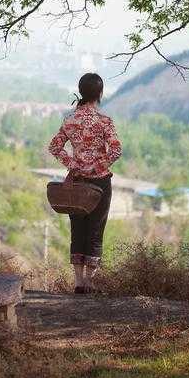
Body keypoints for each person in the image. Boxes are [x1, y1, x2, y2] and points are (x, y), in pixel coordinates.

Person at [48, 73, 122, 294]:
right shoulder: (105, 121)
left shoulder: (70, 120)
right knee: (95, 231)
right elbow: (116, 150)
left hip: (77, 183)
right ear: (100, 93)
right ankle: (90, 282)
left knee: (77, 230)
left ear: (81, 91)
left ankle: (78, 282)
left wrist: (74, 164)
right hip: (99, 184)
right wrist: (98, 165)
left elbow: (54, 147)